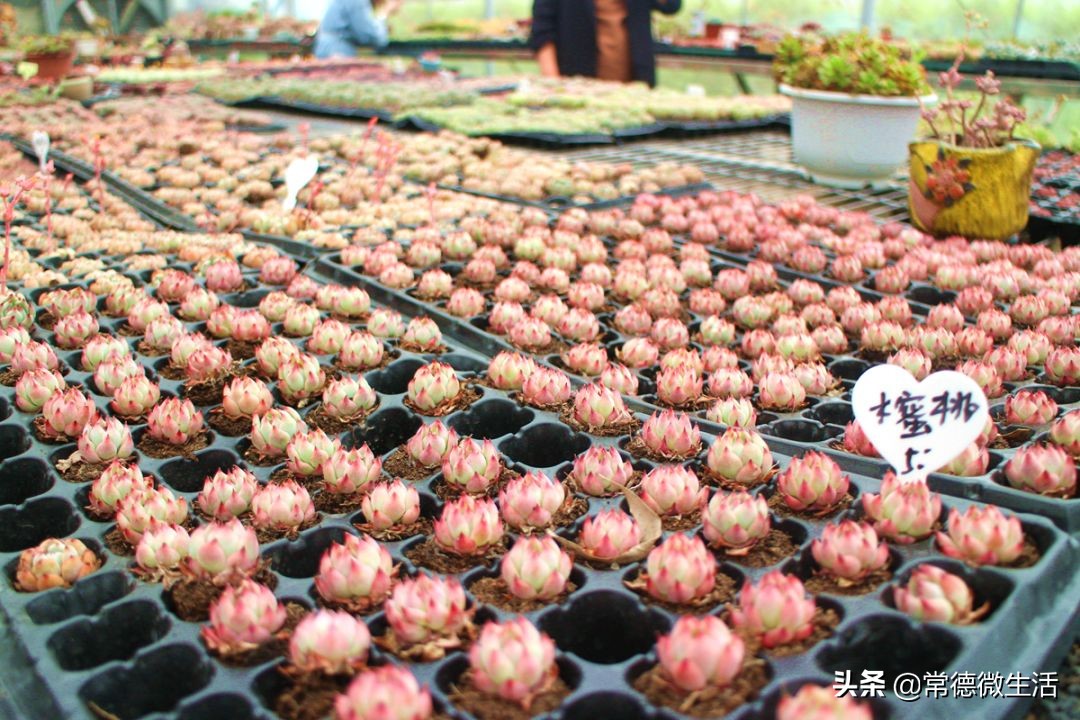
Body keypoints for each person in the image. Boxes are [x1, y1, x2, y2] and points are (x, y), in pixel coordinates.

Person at [529, 0, 682, 86]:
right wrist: (553, 82)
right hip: (578, 84)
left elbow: (670, 6)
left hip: (635, 85)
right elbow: (543, 30)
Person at [314, 0, 402, 58]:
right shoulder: (357, 1)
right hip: (337, 52)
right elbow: (372, 37)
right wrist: (384, 13)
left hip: (328, 48)